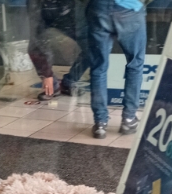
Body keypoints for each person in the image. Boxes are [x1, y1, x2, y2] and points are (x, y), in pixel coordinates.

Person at [87, 0, 146, 138]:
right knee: (135, 64)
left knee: (98, 67)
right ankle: (129, 119)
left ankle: (100, 123)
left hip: (99, 8)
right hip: (130, 9)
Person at [28, 0, 90, 101]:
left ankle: (69, 81)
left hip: (69, 11)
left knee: (92, 48)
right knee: (35, 46)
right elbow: (36, 40)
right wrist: (46, 73)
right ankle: (53, 86)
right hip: (44, 10)